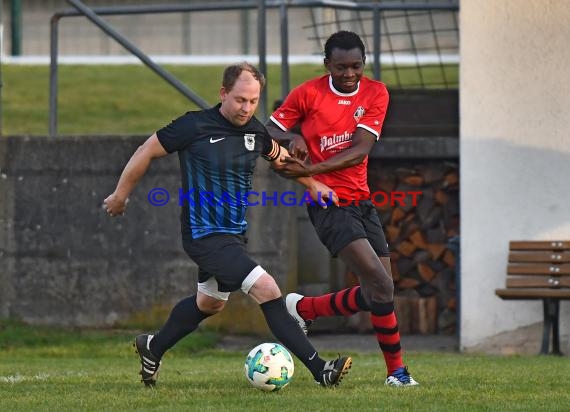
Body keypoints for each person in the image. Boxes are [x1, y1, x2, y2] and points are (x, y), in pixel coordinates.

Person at [103, 62, 351, 388]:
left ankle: (153, 347)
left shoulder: (255, 131)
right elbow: (146, 150)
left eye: (252, 101)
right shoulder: (194, 126)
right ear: (223, 93)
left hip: (233, 237)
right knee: (268, 289)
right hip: (203, 235)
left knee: (210, 303)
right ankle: (322, 371)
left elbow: (280, 160)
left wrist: (314, 185)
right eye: (239, 100)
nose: (246, 108)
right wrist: (121, 195)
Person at [267, 31, 419, 386]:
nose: (349, 74)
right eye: (341, 67)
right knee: (380, 285)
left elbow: (359, 150)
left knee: (381, 291)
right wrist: (293, 137)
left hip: (362, 202)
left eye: (356, 66)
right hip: (329, 206)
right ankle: (397, 373)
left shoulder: (376, 92)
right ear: (327, 65)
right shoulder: (307, 93)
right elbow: (267, 130)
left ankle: (305, 309)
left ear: (363, 63)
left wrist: (308, 169)